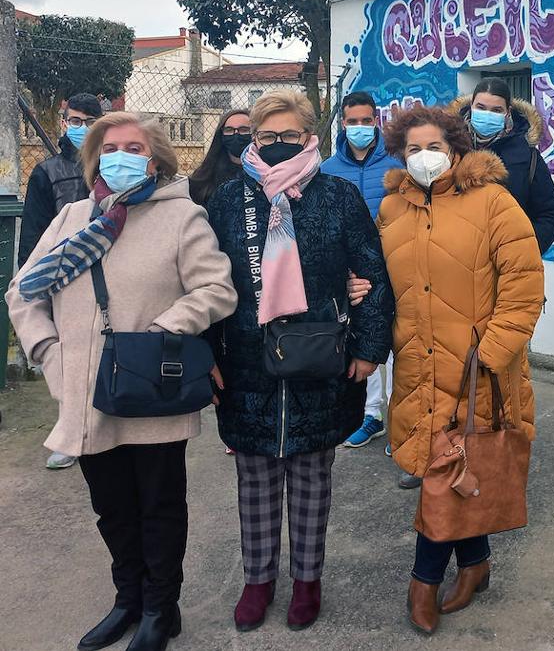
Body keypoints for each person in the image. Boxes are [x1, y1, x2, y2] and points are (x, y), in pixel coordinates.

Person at [7, 112, 237, 651]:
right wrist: (48, 350)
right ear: (94, 157)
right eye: (110, 145)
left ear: (153, 159)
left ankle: (161, 608)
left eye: (133, 146)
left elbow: (216, 289)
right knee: (111, 507)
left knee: (159, 505)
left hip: (152, 386)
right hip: (85, 391)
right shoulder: (71, 218)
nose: (121, 153)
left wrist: (162, 332)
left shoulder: (182, 217)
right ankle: (127, 600)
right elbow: (24, 291)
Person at [205, 91, 395, 633]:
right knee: (255, 478)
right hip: (247, 364)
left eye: (290, 136)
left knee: (313, 479)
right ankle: (258, 580)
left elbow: (373, 276)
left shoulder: (337, 196)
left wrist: (367, 348)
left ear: (311, 137)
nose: (278, 145)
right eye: (267, 137)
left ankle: (307, 580)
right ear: (253, 139)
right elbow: (204, 282)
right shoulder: (227, 200)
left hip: (321, 361)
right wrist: (206, 355)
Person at [378, 105, 543, 635]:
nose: (424, 157)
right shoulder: (391, 211)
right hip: (416, 367)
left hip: (477, 371)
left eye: (434, 146)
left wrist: (491, 353)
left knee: (442, 471)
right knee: (450, 470)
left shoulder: (493, 201)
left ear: (455, 148)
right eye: (413, 149)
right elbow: (384, 285)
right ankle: (476, 563)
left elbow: (523, 284)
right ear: (402, 157)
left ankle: (423, 581)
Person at [19, 92, 103, 470]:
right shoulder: (46, 172)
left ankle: (107, 425)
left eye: (89, 121)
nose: (81, 128)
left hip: (106, 276)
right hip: (62, 278)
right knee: (66, 356)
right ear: (63, 121)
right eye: (75, 120)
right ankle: (70, 433)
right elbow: (35, 234)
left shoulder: (113, 166)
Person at [321, 91, 404, 451]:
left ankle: (403, 418)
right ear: (342, 123)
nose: (359, 127)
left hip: (397, 265)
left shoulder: (398, 164)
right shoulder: (326, 169)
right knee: (362, 339)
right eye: (352, 121)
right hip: (354, 273)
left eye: (365, 121)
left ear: (376, 122)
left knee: (402, 342)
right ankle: (372, 416)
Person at [451, 77, 554, 254]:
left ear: (507, 112)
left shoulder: (527, 156)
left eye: (496, 110)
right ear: (471, 106)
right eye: (480, 108)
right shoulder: (449, 149)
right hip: (455, 259)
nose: (487, 115)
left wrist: (522, 249)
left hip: (507, 265)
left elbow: (550, 215)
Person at [188, 109, 252, 205]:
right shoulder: (205, 176)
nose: (236, 134)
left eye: (243, 130)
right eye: (229, 130)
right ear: (221, 134)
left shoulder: (263, 172)